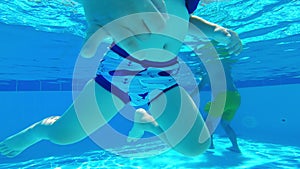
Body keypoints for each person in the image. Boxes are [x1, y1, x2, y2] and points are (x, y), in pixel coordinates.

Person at [0, 0, 241, 158]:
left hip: (163, 76)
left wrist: (214, 30)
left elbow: (181, 17)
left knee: (194, 146)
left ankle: (146, 121)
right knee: (64, 135)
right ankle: (37, 131)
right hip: (121, 71)